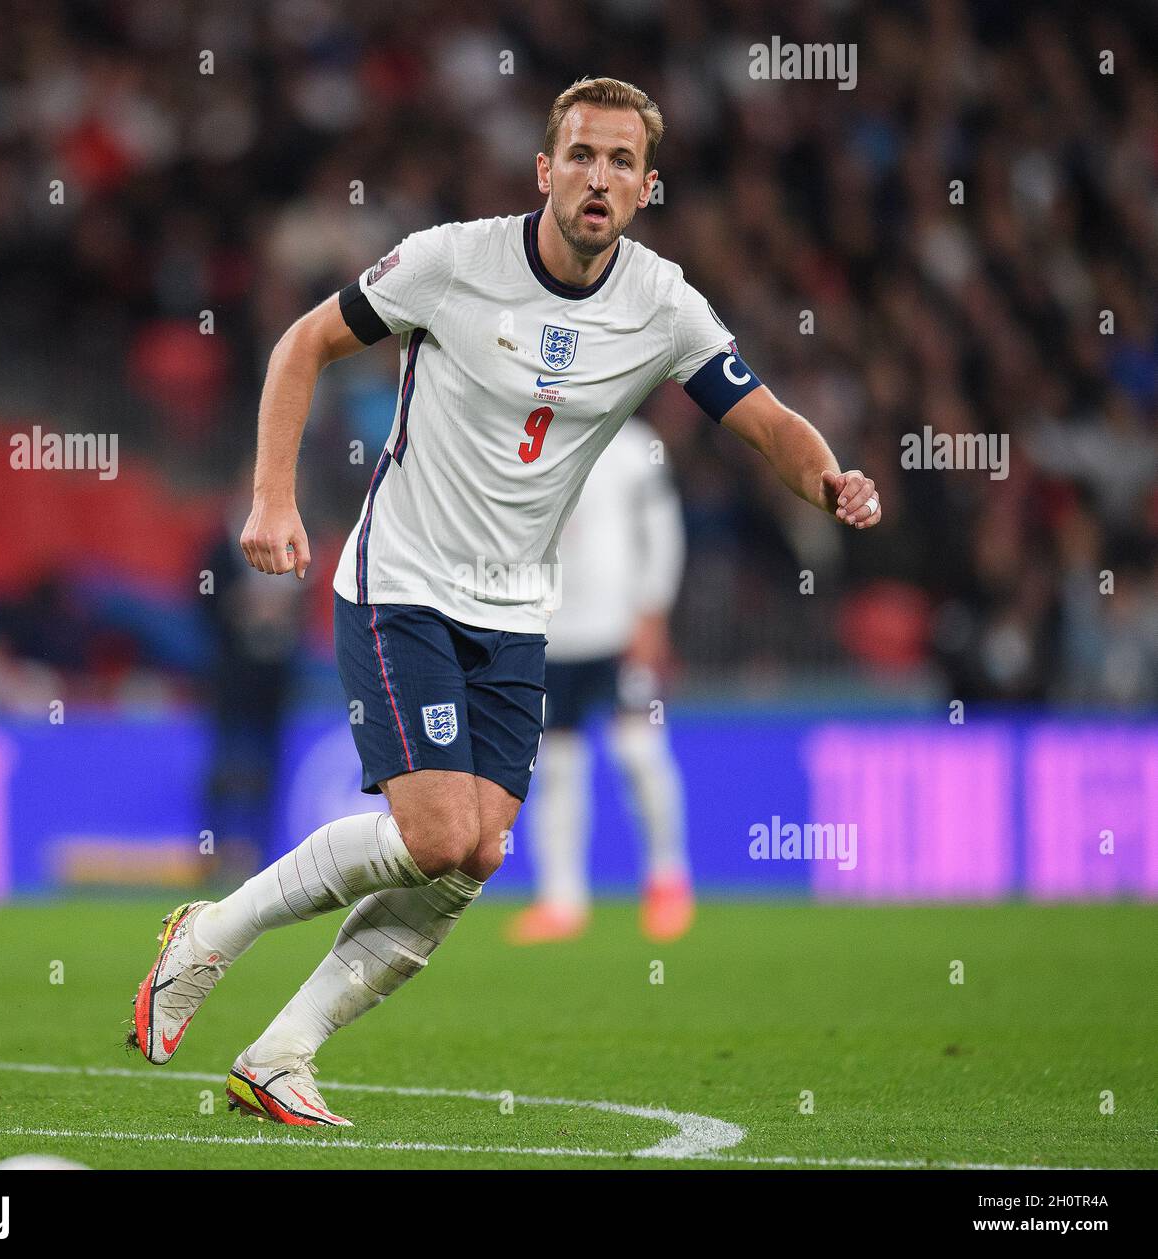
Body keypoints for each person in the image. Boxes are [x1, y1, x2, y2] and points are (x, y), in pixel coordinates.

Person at [128, 76, 883, 1128]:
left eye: (622, 163)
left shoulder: (660, 304)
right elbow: (302, 342)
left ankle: (281, 1052)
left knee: (475, 856)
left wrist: (831, 476)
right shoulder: (449, 263)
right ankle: (211, 934)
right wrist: (271, 497)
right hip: (404, 582)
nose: (598, 177)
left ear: (646, 188)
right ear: (543, 169)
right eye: (581, 154)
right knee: (438, 834)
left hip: (517, 609)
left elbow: (762, 419)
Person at [507, 415, 692, 945]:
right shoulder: (525, 438)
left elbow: (662, 532)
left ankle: (667, 880)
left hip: (618, 629)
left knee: (638, 752)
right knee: (557, 765)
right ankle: (561, 901)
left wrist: (653, 611)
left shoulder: (635, 446)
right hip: (548, 630)